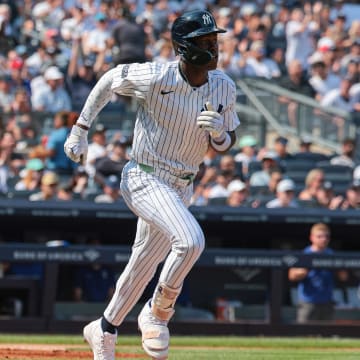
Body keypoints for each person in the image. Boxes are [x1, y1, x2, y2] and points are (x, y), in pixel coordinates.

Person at [64, 9, 240, 360]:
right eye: (204, 42)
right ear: (183, 47)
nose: (213, 47)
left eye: (214, 40)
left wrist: (220, 132)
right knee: (191, 241)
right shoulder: (156, 76)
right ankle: (158, 312)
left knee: (143, 263)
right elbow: (110, 79)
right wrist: (80, 129)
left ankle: (104, 328)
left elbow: (227, 141)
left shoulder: (224, 85)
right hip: (144, 175)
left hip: (182, 184)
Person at [288, 223, 348, 323]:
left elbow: (344, 277)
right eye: (319, 236)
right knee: (304, 336)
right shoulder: (305, 254)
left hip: (327, 302)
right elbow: (292, 276)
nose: (323, 239)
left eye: (326, 236)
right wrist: (305, 270)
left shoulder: (332, 254)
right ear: (312, 237)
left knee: (327, 336)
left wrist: (339, 268)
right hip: (308, 303)